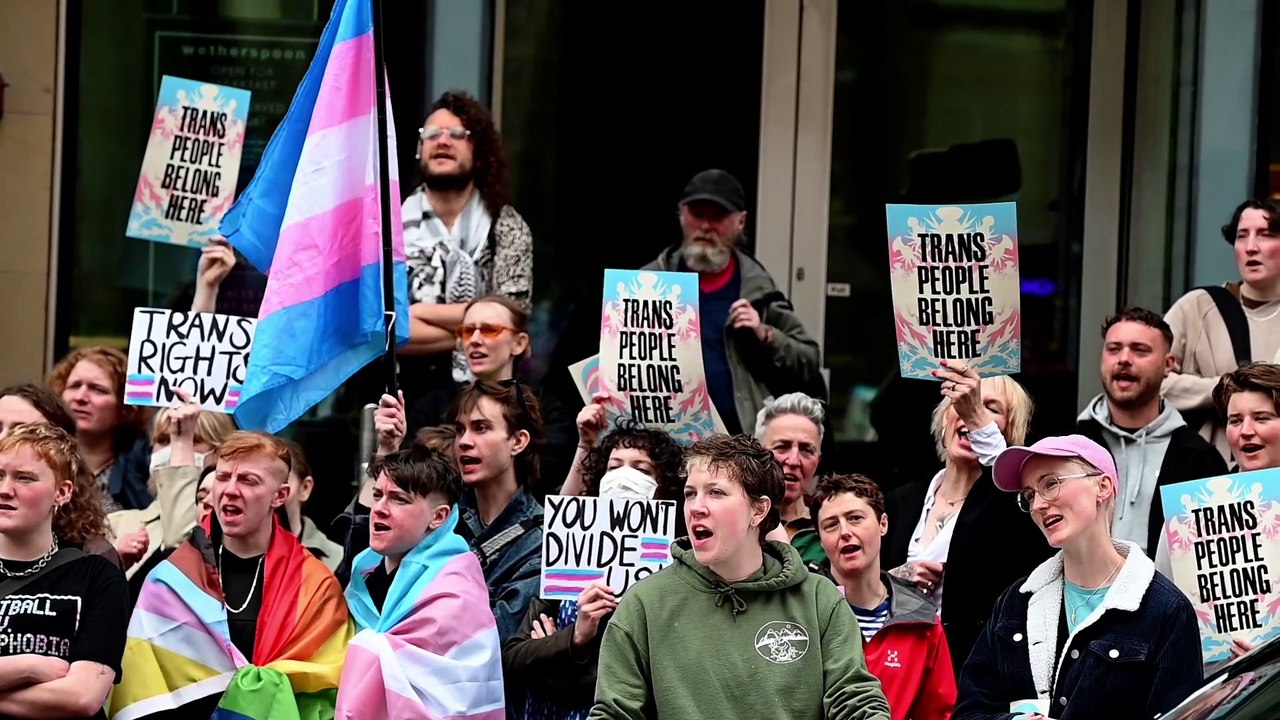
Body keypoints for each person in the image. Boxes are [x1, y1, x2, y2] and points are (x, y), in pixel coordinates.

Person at [589, 434, 891, 720]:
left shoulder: (819, 598)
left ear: (758, 510)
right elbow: (615, 712)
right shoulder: (643, 603)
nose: (696, 507)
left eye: (716, 492)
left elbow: (855, 699)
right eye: (690, 494)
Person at [954, 435, 1202, 719]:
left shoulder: (1166, 611)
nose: (1037, 506)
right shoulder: (1015, 603)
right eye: (1029, 495)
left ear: (1103, 486)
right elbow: (969, 712)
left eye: (1050, 484)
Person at [110, 431, 352, 719]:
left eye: (249, 480)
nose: (230, 490)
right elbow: (141, 684)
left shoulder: (316, 584)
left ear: (280, 495)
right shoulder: (170, 580)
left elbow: (329, 686)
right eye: (224, 477)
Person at [506, 419, 685, 720]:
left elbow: (635, 682)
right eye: (614, 467)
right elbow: (513, 659)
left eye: (641, 470)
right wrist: (576, 636)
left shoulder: (674, 572)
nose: (623, 477)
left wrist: (554, 650)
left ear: (664, 486)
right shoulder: (567, 562)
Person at [883, 362, 1050, 673]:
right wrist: (891, 581)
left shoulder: (1014, 504)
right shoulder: (899, 501)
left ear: (1008, 430)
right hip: (899, 669)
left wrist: (977, 420)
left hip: (970, 675)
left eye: (991, 408)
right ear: (944, 416)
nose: (972, 412)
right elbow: (859, 585)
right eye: (962, 402)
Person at [642, 169, 824, 434]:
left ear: (741, 222)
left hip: (738, 443)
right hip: (663, 441)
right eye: (697, 215)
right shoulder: (646, 283)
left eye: (717, 217)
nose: (705, 226)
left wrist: (765, 334)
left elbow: (808, 360)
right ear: (681, 215)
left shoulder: (758, 290)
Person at [337, 445, 504, 719]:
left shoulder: (456, 589)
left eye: (398, 499)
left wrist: (370, 651)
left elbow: (461, 699)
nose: (379, 509)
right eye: (377, 495)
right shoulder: (360, 572)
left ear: (438, 517)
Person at [400, 90, 534, 409]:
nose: (443, 141)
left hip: (490, 399)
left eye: (457, 134)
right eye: (432, 134)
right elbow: (383, 327)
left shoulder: (507, 226)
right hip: (406, 395)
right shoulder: (388, 227)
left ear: (479, 151)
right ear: (419, 149)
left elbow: (514, 313)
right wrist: (483, 332)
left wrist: (418, 313)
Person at [0, 424, 128, 720]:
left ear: (62, 492)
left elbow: (82, 697)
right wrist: (27, 666)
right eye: (0, 475)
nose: (5, 490)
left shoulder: (98, 575)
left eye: (25, 478)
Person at [1075, 308, 1227, 556]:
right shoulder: (1065, 448)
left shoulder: (1201, 460)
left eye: (1140, 350)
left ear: (1169, 365)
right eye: (1114, 349)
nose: (1124, 359)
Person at [812, 474, 955, 720]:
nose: (845, 532)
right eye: (831, 525)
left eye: (855, 518)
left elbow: (939, 714)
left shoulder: (923, 622)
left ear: (883, 524)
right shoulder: (806, 614)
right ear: (821, 540)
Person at [404, 295, 576, 497]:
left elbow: (547, 476)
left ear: (519, 343)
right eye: (468, 331)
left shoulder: (546, 411)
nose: (475, 340)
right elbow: (413, 478)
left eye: (489, 330)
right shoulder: (433, 406)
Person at [1164, 198, 1280, 462]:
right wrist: (1225, 391)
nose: (1251, 247)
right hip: (1209, 472)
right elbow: (1151, 384)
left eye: (1266, 235)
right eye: (1241, 236)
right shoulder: (1198, 306)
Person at [452, 380, 545, 642]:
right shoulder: (439, 519)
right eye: (460, 430)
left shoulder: (541, 541)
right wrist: (388, 450)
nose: (464, 442)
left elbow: (494, 640)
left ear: (518, 441)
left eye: (481, 428)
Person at [48, 347, 152, 512]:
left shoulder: (144, 471)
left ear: (124, 407)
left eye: (97, 389)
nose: (80, 397)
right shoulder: (42, 460)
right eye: (74, 386)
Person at [755, 393, 827, 565]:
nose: (794, 460)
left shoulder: (831, 528)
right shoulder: (734, 526)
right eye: (782, 447)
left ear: (818, 461)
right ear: (757, 453)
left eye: (806, 450)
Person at [280, 439, 345, 573]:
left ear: (305, 488)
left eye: (282, 479)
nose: (270, 490)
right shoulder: (230, 554)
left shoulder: (337, 560)